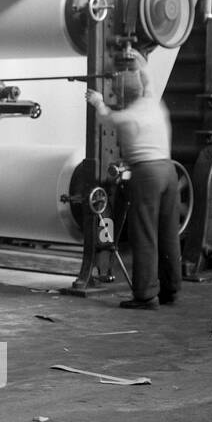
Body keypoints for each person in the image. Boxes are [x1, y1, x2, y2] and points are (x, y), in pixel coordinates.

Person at [85, 59, 182, 309]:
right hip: (169, 172)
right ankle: (170, 290)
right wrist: (137, 60)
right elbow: (147, 81)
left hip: (147, 174)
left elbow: (105, 118)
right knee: (168, 232)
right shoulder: (153, 102)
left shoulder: (126, 116)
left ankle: (146, 295)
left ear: (121, 95)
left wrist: (96, 100)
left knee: (145, 234)